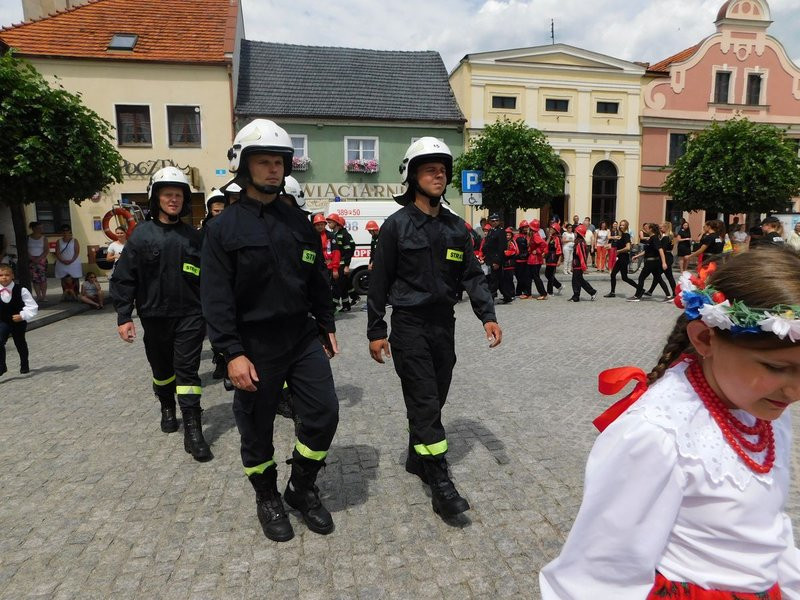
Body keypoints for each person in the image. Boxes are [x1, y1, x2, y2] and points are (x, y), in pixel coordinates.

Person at [541, 250, 800, 599]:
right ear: (705, 338)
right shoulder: (659, 434)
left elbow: (766, 528)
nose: (796, 390)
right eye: (775, 367)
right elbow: (599, 574)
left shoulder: (763, 411)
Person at [202, 119, 339, 542]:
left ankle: (299, 487)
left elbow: (316, 277)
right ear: (243, 167)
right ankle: (266, 496)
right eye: (263, 161)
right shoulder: (223, 228)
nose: (274, 169)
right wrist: (231, 353)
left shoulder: (298, 222)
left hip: (301, 337)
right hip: (253, 345)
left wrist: (326, 321)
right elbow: (215, 296)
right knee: (256, 428)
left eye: (279, 162)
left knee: (323, 415)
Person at [367, 137, 502, 518]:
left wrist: (487, 315)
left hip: (444, 326)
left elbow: (473, 276)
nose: (439, 174)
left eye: (443, 168)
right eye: (429, 168)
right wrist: (376, 330)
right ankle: (440, 482)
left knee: (436, 396)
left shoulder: (456, 228)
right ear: (411, 175)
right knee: (425, 402)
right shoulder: (396, 227)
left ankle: (416, 456)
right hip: (408, 327)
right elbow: (379, 282)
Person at [111, 166, 212, 463]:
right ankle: (167, 405)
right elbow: (124, 278)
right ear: (156, 198)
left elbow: (209, 277)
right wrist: (123, 316)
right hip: (154, 317)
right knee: (162, 372)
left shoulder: (194, 237)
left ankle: (193, 430)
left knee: (187, 372)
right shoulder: (141, 237)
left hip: (190, 316)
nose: (173, 200)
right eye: (168, 194)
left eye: (178, 195)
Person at [0, 263, 37, 376]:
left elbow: (32, 306)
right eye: (1, 275)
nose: (4, 277)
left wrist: (23, 315)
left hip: (18, 321)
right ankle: (1, 367)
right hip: (2, 322)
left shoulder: (21, 290)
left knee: (20, 342)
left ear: (12, 276)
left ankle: (24, 364)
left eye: (7, 275)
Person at [628, 223, 671, 302]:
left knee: (641, 278)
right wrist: (637, 256)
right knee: (659, 279)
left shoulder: (654, 238)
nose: (645, 229)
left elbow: (660, 250)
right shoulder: (652, 238)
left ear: (651, 229)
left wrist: (664, 263)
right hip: (653, 262)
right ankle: (668, 296)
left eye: (647, 228)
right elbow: (647, 251)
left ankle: (637, 296)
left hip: (651, 262)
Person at [326, 213, 358, 311]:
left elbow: (349, 251)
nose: (328, 224)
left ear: (336, 223)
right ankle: (346, 305)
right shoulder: (334, 234)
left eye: (330, 222)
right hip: (336, 263)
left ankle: (333, 307)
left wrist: (347, 265)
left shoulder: (344, 234)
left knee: (336, 285)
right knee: (343, 285)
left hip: (342, 264)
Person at [605, 219, 638, 298]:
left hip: (624, 258)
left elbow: (628, 247)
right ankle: (612, 292)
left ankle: (640, 288)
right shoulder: (622, 235)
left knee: (625, 278)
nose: (621, 226)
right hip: (621, 258)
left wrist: (618, 251)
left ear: (626, 226)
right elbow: (619, 244)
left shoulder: (626, 235)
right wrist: (609, 246)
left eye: (623, 225)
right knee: (613, 274)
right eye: (620, 225)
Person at [644, 221, 677, 299]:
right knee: (664, 276)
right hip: (668, 256)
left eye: (661, 227)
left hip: (666, 257)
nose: (659, 229)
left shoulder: (666, 237)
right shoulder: (670, 236)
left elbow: (662, 249)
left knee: (661, 276)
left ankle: (673, 294)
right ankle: (651, 291)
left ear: (666, 228)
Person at [483, 213, 511, 302]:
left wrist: (497, 261)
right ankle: (507, 296)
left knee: (494, 279)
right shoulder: (491, 231)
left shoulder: (501, 231)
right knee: (500, 279)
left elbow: (501, 247)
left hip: (496, 259)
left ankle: (491, 297)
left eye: (496, 220)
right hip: (490, 259)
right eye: (493, 221)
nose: (494, 222)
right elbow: (488, 245)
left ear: (499, 221)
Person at [568, 224, 597, 302]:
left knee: (576, 281)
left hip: (578, 264)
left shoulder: (580, 243)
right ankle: (591, 292)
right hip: (576, 264)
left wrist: (583, 266)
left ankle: (577, 296)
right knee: (579, 280)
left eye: (575, 232)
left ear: (579, 233)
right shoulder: (578, 242)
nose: (574, 233)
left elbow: (582, 255)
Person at [54, 226, 83, 291]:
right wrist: (62, 261)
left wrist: (71, 260)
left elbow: (77, 252)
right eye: (64, 231)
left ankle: (76, 294)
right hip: (62, 263)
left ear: (70, 231)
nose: (65, 232)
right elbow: (57, 252)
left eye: (67, 230)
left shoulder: (74, 240)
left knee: (75, 278)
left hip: (74, 262)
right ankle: (65, 294)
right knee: (63, 278)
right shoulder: (59, 241)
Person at [27, 222, 48, 303]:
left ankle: (44, 296)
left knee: (43, 279)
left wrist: (39, 258)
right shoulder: (28, 238)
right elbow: (26, 249)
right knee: (35, 279)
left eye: (41, 228)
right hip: (31, 261)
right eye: (39, 228)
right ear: (33, 228)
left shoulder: (44, 238)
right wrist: (32, 258)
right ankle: (38, 296)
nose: (41, 229)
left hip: (41, 261)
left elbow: (46, 250)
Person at [544, 223, 563, 296]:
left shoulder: (557, 238)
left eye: (552, 229)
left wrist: (559, 260)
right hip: (549, 257)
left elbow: (559, 250)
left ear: (556, 230)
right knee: (546, 274)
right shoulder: (549, 237)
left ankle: (550, 292)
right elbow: (545, 245)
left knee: (551, 275)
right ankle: (559, 285)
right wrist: (549, 237)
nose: (550, 230)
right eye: (550, 228)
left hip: (554, 257)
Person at [514, 221, 531, 298]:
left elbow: (530, 246)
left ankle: (520, 291)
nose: (526, 229)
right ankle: (519, 291)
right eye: (524, 227)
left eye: (526, 227)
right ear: (521, 228)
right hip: (517, 259)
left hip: (526, 259)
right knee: (519, 276)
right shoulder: (516, 236)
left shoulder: (528, 236)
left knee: (524, 276)